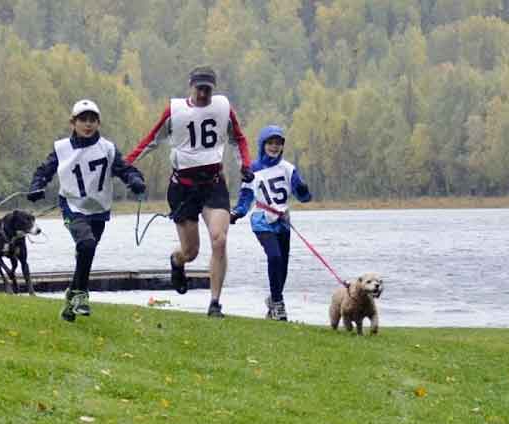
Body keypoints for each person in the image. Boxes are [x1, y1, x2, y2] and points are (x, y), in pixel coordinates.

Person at [125, 66, 253, 318]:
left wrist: (245, 166)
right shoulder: (175, 112)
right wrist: (124, 165)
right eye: (199, 88)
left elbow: (239, 139)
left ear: (213, 89)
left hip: (213, 185)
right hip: (183, 189)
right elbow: (151, 139)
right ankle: (177, 261)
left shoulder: (223, 108)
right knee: (191, 251)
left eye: (208, 89)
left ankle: (215, 303)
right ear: (191, 86)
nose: (204, 94)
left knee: (220, 239)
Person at [28, 99, 146, 322]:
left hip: (99, 209)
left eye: (92, 120)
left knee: (86, 252)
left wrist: (135, 180)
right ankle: (81, 294)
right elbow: (44, 170)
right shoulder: (61, 148)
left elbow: (124, 168)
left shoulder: (108, 148)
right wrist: (37, 186)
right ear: (73, 122)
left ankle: (71, 299)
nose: (88, 124)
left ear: (98, 123)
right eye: (83, 119)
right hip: (72, 206)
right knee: (86, 244)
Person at [229, 125, 311, 321]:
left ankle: (273, 300)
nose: (274, 147)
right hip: (262, 219)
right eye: (270, 143)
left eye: (278, 144)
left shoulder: (289, 169)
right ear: (263, 145)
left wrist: (303, 189)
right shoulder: (253, 170)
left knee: (282, 264)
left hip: (282, 220)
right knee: (274, 257)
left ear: (282, 146)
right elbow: (246, 197)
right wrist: (237, 213)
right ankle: (278, 303)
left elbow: (303, 197)